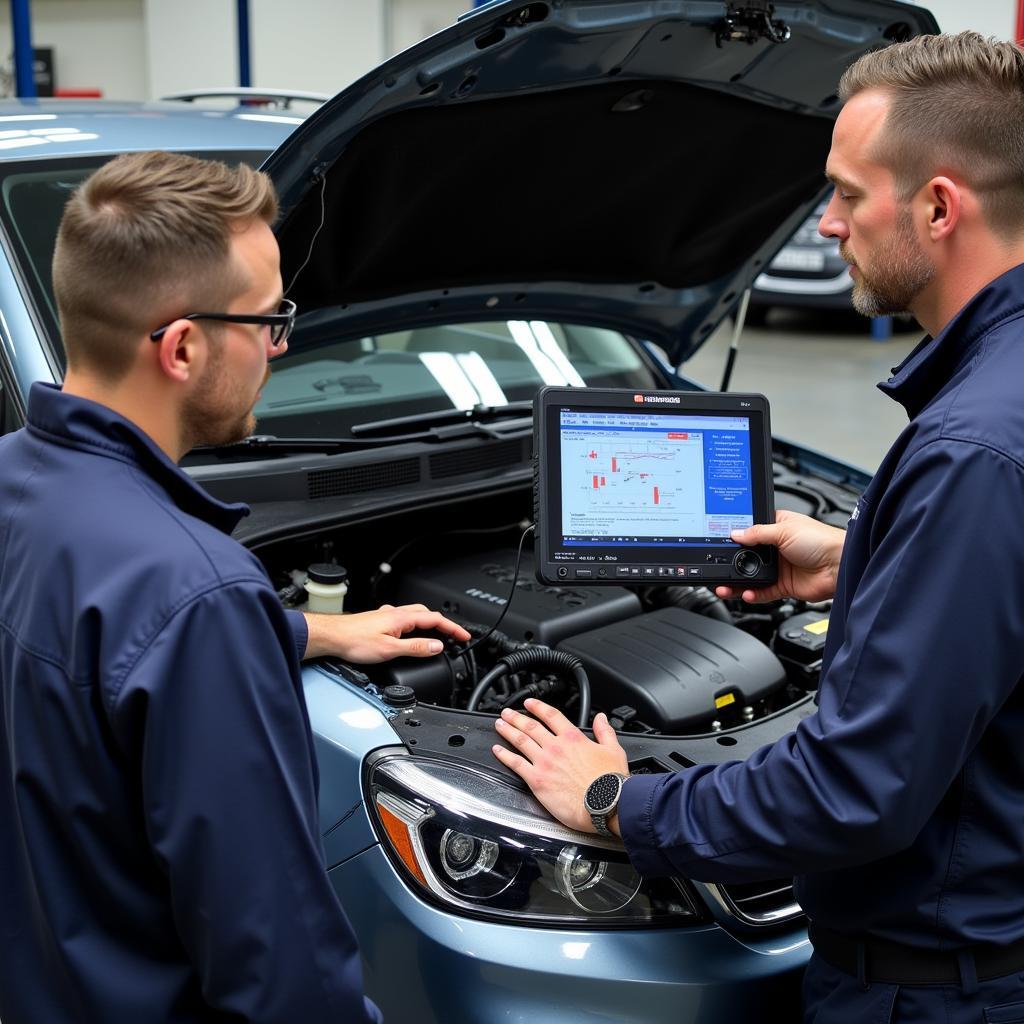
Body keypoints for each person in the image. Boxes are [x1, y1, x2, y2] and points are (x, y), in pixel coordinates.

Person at [492, 31, 1024, 1024]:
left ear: (939, 206)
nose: (825, 226)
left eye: (846, 194)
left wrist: (616, 801)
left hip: (936, 990)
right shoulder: (998, 414)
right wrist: (863, 555)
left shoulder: (970, 452)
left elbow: (856, 790)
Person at [0, 151, 470, 1024]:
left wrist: (303, 631)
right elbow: (280, 972)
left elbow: (87, 655)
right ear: (183, 346)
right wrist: (230, 620)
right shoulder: (196, 593)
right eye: (268, 319)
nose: (280, 345)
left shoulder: (16, 482)